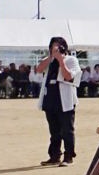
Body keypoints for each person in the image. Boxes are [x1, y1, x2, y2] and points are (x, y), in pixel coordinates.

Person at [34, 36, 82, 167]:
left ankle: (68, 156)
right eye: (52, 47)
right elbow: (38, 70)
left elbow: (69, 76)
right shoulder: (49, 61)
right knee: (54, 131)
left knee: (67, 130)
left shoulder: (71, 60)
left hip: (65, 100)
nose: (54, 49)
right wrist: (51, 57)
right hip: (50, 98)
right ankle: (54, 156)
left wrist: (61, 60)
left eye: (57, 47)